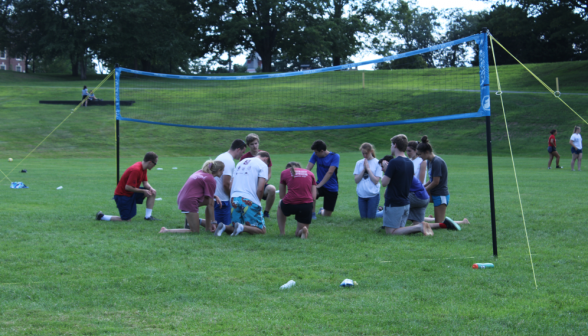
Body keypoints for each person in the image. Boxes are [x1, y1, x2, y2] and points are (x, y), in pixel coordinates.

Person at [380, 135, 436, 235]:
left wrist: (386, 168)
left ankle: (419, 226)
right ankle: (419, 226)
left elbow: (384, 183)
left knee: (390, 232)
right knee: (400, 229)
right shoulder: (409, 163)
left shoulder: (393, 162)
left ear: (395, 145)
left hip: (395, 203)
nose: (391, 147)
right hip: (405, 204)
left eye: (391, 145)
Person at [159, 160, 224, 234]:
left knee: (210, 201)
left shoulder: (202, 172)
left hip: (183, 198)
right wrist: (214, 222)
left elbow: (205, 195)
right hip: (189, 201)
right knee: (195, 231)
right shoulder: (211, 179)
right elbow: (210, 204)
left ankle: (208, 228)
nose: (223, 173)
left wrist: (214, 196)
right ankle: (166, 231)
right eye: (222, 171)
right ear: (219, 170)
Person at [215, 151, 271, 236]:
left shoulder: (240, 163)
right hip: (248, 199)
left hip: (234, 198)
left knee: (236, 227)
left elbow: (231, 185)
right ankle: (242, 227)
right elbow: (260, 188)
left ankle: (224, 227)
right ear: (266, 159)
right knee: (261, 230)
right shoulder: (262, 165)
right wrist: (258, 203)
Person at [96, 152, 159, 222]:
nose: (155, 165)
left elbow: (145, 183)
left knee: (152, 193)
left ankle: (148, 217)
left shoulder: (143, 168)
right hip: (122, 195)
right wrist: (144, 191)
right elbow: (128, 187)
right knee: (126, 220)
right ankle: (101, 216)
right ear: (150, 162)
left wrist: (151, 188)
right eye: (155, 163)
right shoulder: (136, 169)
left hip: (131, 193)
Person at [417, 136, 459, 230]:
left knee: (439, 224)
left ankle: (461, 222)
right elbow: (431, 180)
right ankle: (417, 221)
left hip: (441, 195)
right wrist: (421, 188)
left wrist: (423, 191)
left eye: (420, 154)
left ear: (427, 152)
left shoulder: (437, 162)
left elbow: (436, 182)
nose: (419, 157)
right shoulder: (429, 161)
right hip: (434, 193)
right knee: (417, 198)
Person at [212, 139, 247, 232]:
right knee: (224, 227)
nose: (242, 155)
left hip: (217, 198)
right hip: (222, 200)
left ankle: (198, 221)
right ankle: (196, 221)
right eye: (242, 152)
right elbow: (226, 183)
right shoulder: (228, 161)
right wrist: (231, 196)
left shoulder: (223, 156)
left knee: (218, 224)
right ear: (238, 149)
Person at [239, 133, 276, 218]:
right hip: (249, 185)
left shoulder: (265, 155)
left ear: (258, 143)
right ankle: (249, 212)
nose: (254, 146)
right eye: (252, 144)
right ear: (248, 145)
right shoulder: (244, 158)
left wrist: (262, 183)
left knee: (272, 189)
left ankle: (266, 213)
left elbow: (269, 173)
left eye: (256, 143)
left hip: (262, 183)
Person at [277, 162, 317, 239]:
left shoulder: (284, 173)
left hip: (290, 203)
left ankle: (282, 232)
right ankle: (302, 231)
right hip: (306, 205)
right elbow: (314, 197)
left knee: (280, 203)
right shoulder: (310, 173)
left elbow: (281, 196)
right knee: (298, 233)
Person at [306, 140, 340, 218]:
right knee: (312, 190)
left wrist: (319, 186)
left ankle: (322, 210)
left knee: (327, 215)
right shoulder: (315, 155)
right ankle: (312, 214)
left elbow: (330, 172)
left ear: (322, 151)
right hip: (319, 183)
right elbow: (308, 168)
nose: (315, 153)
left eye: (316, 152)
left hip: (332, 187)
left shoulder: (335, 156)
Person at [353, 143, 382, 219]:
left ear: (371, 151)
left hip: (373, 195)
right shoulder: (359, 163)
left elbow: (376, 181)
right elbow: (356, 180)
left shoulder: (377, 163)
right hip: (361, 195)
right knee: (364, 219)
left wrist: (368, 169)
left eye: (366, 153)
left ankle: (381, 211)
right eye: (363, 153)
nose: (365, 155)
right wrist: (363, 170)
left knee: (371, 218)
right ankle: (378, 210)